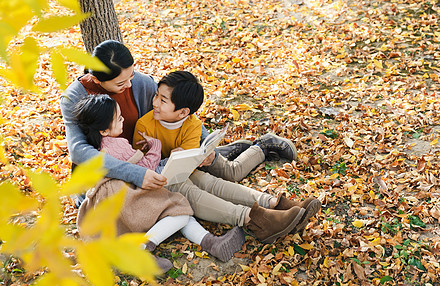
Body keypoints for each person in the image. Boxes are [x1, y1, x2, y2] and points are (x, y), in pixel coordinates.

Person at [60, 40, 299, 208]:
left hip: (154, 155)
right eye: (121, 84)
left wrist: (203, 146)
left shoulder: (141, 83)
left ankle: (252, 152)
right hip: (117, 169)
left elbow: (181, 114)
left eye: (131, 76)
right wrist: (136, 173)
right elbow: (79, 151)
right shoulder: (75, 97)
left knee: (215, 171)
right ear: (96, 79)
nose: (130, 86)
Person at [133, 71, 321, 243]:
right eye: (157, 95)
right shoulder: (144, 125)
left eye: (163, 100)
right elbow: (140, 165)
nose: (155, 102)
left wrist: (191, 156)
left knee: (209, 181)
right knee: (190, 189)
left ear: (183, 112)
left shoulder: (192, 124)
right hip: (157, 180)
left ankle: (274, 203)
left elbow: (188, 165)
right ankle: (254, 219)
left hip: (183, 172)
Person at [73, 94, 246, 271]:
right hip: (127, 201)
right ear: (103, 131)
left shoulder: (102, 147)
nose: (123, 120)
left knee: (179, 210)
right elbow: (145, 169)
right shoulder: (117, 146)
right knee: (179, 211)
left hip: (120, 200)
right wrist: (155, 147)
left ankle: (211, 243)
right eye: (119, 119)